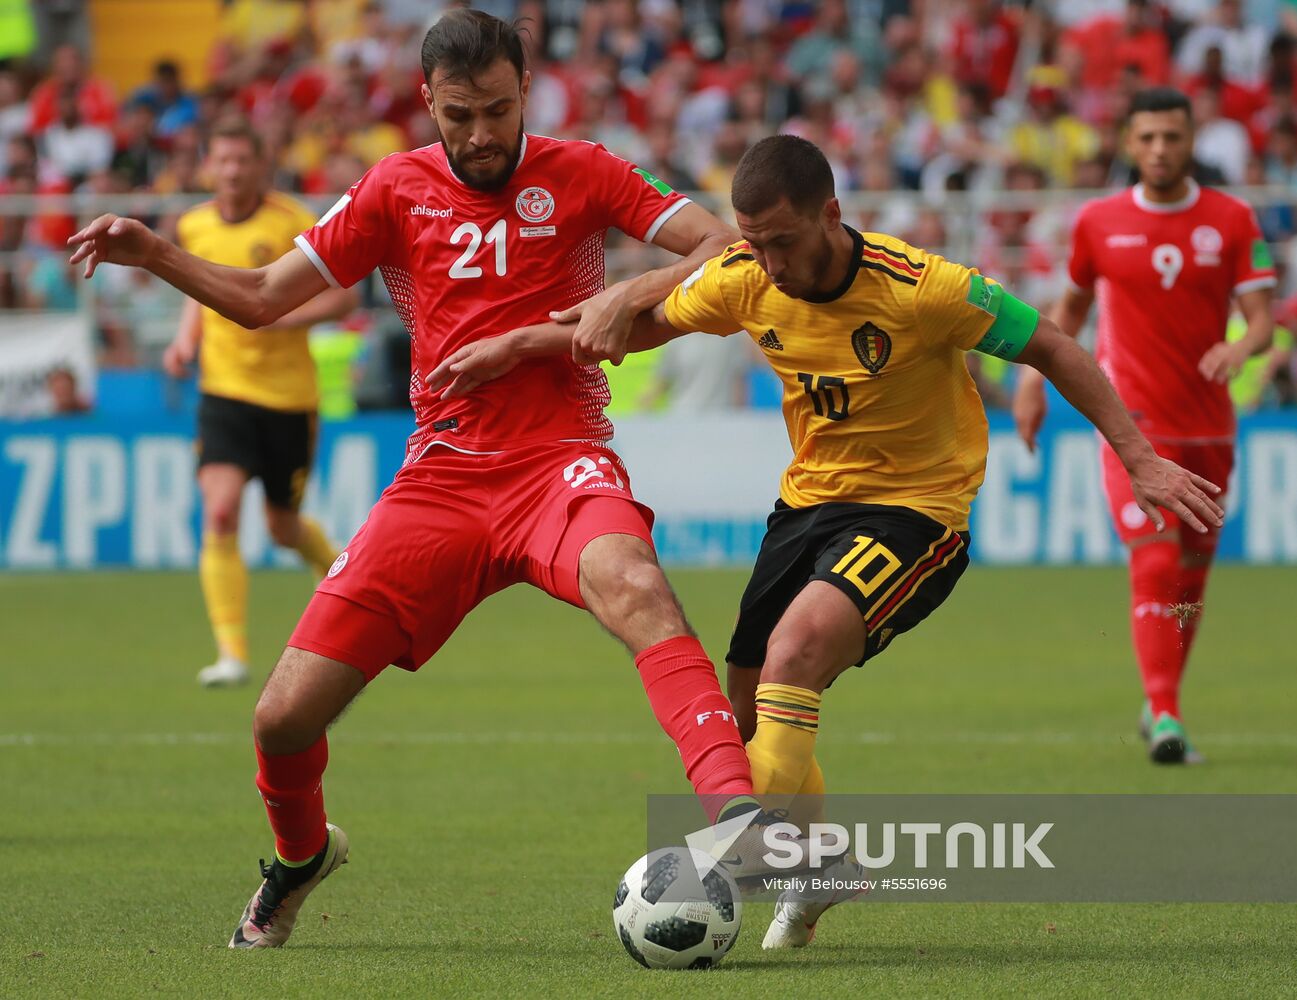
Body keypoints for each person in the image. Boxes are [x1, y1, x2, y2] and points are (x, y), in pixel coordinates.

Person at [68, 10, 761, 949]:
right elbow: (267, 299)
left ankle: (736, 820)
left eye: (501, 111)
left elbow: (727, 246)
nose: (482, 135)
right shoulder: (395, 189)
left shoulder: (586, 169)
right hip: (441, 480)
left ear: (528, 90)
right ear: (426, 102)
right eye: (462, 115)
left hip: (560, 459)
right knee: (279, 720)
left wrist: (624, 290)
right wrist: (156, 255)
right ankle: (301, 856)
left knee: (637, 586)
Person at [430, 133, 1224, 949]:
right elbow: (644, 329)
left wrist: (1136, 457)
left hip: (916, 511)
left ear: (830, 215)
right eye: (753, 243)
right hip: (807, 506)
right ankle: (816, 868)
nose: (767, 262)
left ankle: (710, 870)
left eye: (781, 240)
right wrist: (518, 345)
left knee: (796, 653)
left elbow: (1051, 344)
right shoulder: (745, 280)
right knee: (743, 715)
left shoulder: (924, 288)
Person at [1013, 88, 1275, 765]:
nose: (1159, 149)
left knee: (1190, 578)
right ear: (1129, 144)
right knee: (1155, 560)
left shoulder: (1232, 219)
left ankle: (1160, 697)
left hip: (1210, 428)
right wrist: (1029, 384)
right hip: (1132, 423)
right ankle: (1165, 715)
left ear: (1191, 142)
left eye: (1171, 137)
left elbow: (1264, 319)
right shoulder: (1097, 222)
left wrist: (1241, 348)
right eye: (1147, 137)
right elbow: (1064, 318)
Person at [162, 117, 358, 688]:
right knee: (220, 512)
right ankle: (231, 653)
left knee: (282, 527)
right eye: (221, 160)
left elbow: (344, 298)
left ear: (259, 166)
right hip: (223, 392)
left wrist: (283, 315)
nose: (230, 170)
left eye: (241, 161)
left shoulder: (292, 221)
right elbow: (200, 289)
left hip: (289, 399)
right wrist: (184, 340)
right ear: (208, 165)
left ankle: (345, 578)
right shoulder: (194, 225)